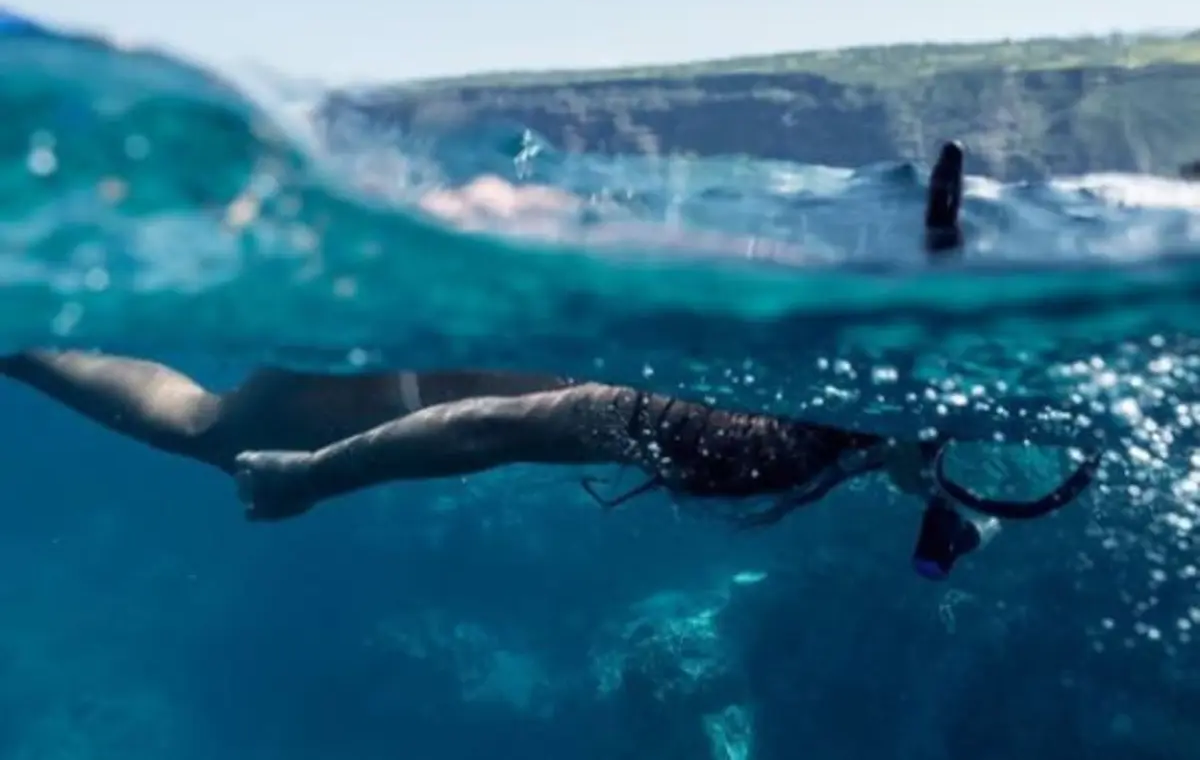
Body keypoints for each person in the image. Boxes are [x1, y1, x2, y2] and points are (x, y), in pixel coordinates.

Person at [0, 143, 1098, 578]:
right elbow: (498, 428)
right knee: (206, 431)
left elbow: (901, 420)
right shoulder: (748, 438)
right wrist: (312, 479)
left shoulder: (882, 365)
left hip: (467, 293)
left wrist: (916, 469)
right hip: (412, 374)